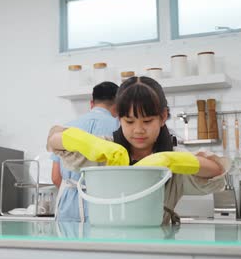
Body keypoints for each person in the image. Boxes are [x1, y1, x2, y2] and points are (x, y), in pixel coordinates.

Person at [47, 76, 229, 224]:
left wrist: (170, 160)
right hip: (109, 245)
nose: (139, 130)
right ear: (118, 117)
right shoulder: (106, 151)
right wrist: (89, 143)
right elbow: (54, 140)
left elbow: (216, 170)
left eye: (148, 121)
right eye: (129, 121)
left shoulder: (172, 159)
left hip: (157, 249)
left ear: (163, 117)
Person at [51, 81, 119, 222]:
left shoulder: (65, 129)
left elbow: (55, 177)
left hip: (67, 206)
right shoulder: (121, 129)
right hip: (104, 206)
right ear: (118, 105)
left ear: (91, 103)